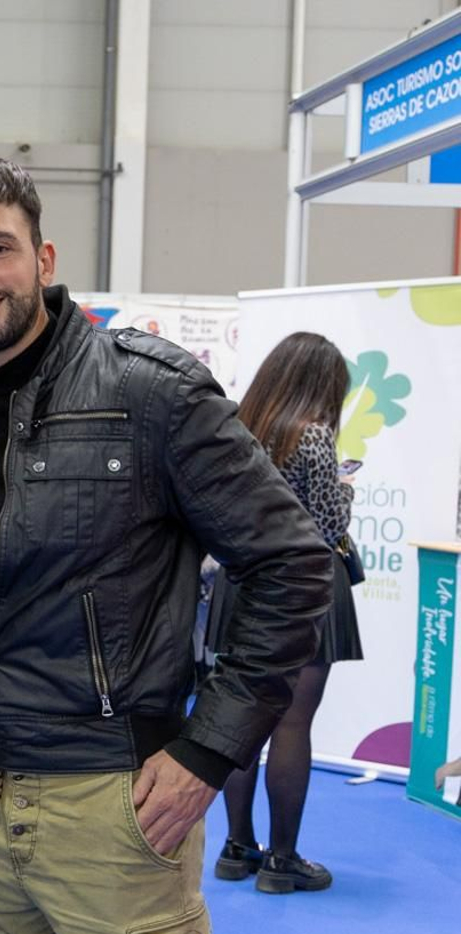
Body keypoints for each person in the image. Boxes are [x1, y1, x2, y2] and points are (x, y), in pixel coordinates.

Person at [0, 154, 333, 934]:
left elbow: (294, 563)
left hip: (116, 802)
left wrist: (209, 751)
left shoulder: (152, 392)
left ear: (44, 258)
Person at [206, 331, 362, 894]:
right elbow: (325, 527)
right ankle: (282, 859)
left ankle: (235, 846)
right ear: (323, 385)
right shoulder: (315, 436)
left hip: (242, 582)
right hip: (306, 587)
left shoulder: (239, 428)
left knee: (245, 715)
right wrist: (344, 489)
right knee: (293, 722)